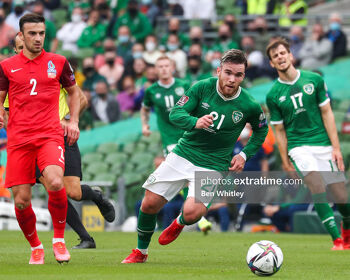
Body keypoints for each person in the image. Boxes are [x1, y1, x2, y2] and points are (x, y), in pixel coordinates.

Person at [122, 49, 268, 263]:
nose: (232, 79)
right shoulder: (202, 87)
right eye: (228, 72)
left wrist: (245, 155)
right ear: (219, 71)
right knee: (149, 204)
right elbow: (176, 113)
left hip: (214, 164)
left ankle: (179, 222)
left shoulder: (249, 105)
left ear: (243, 76)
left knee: (192, 214)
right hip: (183, 153)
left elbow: (261, 130)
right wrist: (195, 122)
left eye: (238, 75)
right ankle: (140, 252)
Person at [5, 33, 116, 250]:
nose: (22, 51)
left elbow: (81, 98)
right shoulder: (13, 77)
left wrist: (69, 121)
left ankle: (96, 196)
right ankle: (86, 239)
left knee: (73, 191)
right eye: (18, 48)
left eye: (24, 46)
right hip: (32, 139)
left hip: (60, 136)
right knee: (55, 188)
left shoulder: (52, 68)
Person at [0, 13, 80, 264]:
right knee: (22, 201)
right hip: (19, 140)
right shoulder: (6, 66)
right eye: (32, 33)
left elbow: (73, 93)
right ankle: (36, 246)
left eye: (41, 33)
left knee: (56, 182)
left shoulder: (58, 62)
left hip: (49, 135)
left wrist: (74, 121)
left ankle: (58, 241)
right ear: (21, 36)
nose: (38, 38)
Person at [265, 37, 350, 250]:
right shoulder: (273, 94)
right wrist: (285, 160)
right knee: (316, 184)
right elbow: (280, 131)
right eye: (275, 56)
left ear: (291, 56)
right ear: (272, 64)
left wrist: (337, 148)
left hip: (323, 145)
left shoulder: (314, 80)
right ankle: (336, 240)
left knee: (341, 197)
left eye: (283, 53)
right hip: (298, 147)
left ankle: (346, 233)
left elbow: (327, 113)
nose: (280, 57)